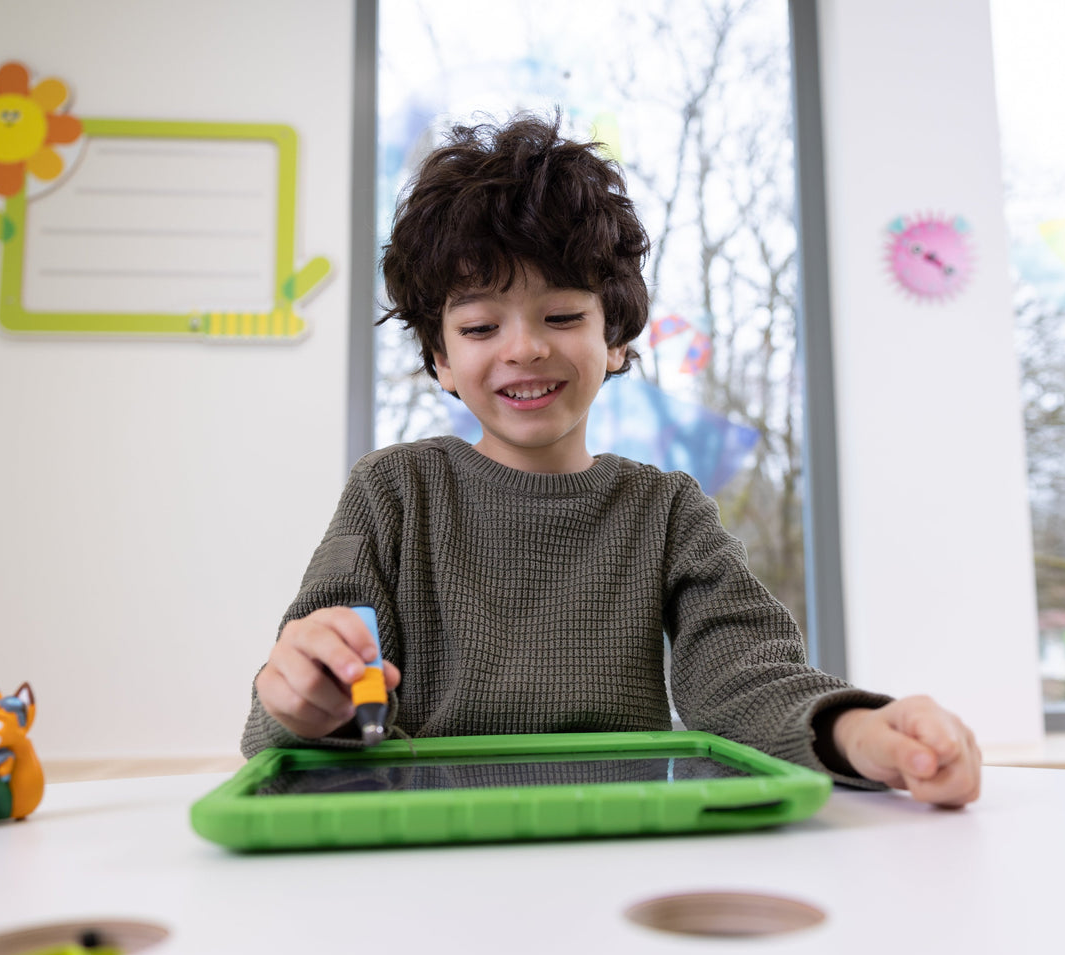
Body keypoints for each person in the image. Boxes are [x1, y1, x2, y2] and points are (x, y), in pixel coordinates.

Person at [241, 114, 981, 807]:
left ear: (617, 338)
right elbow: (305, 696)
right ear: (440, 356)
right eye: (478, 325)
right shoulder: (393, 491)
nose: (524, 347)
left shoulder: (665, 510)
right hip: (434, 849)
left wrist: (857, 732)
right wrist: (305, 701)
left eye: (562, 316)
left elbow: (742, 675)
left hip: (621, 838)